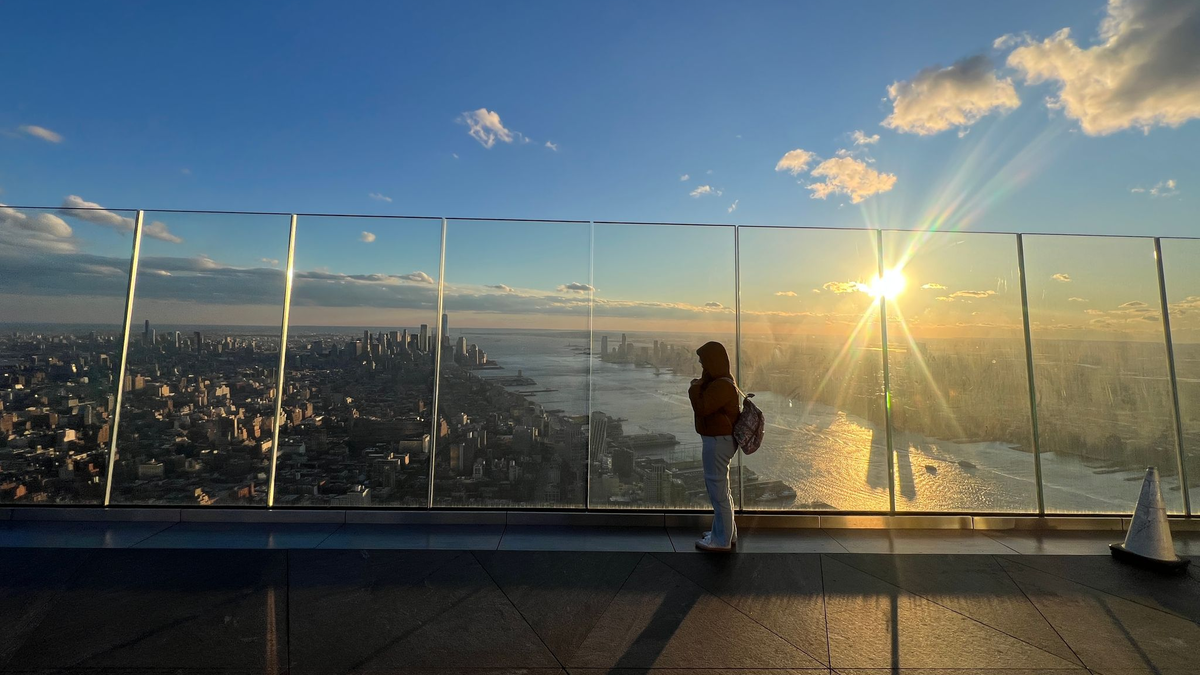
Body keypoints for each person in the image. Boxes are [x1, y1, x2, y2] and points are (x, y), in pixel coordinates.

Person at [687, 341, 739, 551]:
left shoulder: (721, 385)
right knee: (721, 490)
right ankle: (726, 533)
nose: (701, 365)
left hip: (718, 442)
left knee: (717, 492)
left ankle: (721, 541)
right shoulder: (721, 382)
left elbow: (702, 408)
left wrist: (694, 387)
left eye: (703, 361)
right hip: (719, 440)